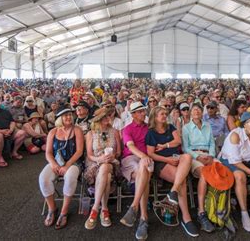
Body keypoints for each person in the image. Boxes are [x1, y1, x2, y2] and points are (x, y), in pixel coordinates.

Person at [146, 106, 198, 237]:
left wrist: (165, 145)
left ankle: (173, 192)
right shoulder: (151, 132)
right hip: (162, 162)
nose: (164, 116)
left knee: (187, 156)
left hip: (176, 158)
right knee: (182, 180)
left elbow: (178, 141)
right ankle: (186, 218)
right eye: (161, 114)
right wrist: (167, 159)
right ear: (155, 117)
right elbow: (151, 154)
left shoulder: (170, 127)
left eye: (165, 113)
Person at [39, 107, 84, 229]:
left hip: (73, 163)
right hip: (56, 162)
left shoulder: (77, 130)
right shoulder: (53, 132)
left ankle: (64, 211)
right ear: (59, 118)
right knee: (43, 178)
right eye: (65, 115)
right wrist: (53, 164)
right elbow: (48, 152)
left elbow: (79, 152)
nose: (68, 117)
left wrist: (67, 165)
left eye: (70, 115)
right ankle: (52, 208)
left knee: (69, 177)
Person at [84, 107, 121, 230]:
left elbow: (119, 152)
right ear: (98, 120)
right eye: (104, 117)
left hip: (112, 162)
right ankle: (104, 208)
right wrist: (99, 159)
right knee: (106, 174)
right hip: (94, 163)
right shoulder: (90, 133)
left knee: (106, 167)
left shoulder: (115, 131)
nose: (108, 118)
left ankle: (95, 208)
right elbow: (89, 155)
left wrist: (113, 156)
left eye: (108, 116)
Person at [119, 102, 153, 240]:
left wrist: (147, 157)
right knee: (143, 170)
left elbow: (153, 145)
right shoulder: (127, 129)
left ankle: (134, 207)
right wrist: (144, 156)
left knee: (142, 170)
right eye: (139, 112)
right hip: (131, 158)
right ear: (132, 115)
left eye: (143, 111)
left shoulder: (149, 128)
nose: (143, 113)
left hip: (147, 159)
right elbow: (131, 146)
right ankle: (143, 218)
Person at [181, 103, 216, 233]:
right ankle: (201, 211)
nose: (196, 112)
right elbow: (186, 148)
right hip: (194, 157)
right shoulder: (186, 128)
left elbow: (212, 143)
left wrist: (211, 156)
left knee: (223, 172)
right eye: (194, 110)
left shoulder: (208, 126)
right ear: (190, 113)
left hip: (208, 155)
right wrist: (198, 157)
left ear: (202, 112)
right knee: (205, 173)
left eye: (198, 110)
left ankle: (218, 207)